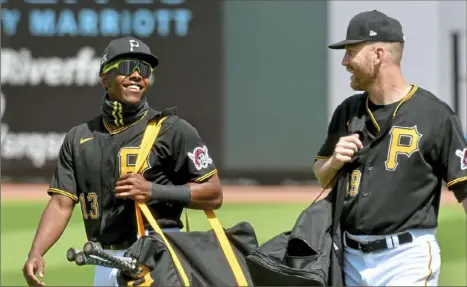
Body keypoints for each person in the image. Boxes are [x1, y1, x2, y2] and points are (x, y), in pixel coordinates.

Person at [22, 36, 223, 287]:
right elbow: (61, 204)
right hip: (105, 260)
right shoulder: (80, 137)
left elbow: (214, 194)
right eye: (127, 67)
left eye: (145, 69)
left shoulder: (172, 130)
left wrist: (153, 190)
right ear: (104, 78)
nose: (138, 75)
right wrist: (36, 252)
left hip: (159, 256)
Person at [313, 10, 467, 286]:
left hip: (406, 258)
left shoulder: (434, 115)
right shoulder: (348, 112)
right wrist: (334, 161)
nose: (345, 61)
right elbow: (321, 175)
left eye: (351, 51)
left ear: (378, 54)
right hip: (350, 258)